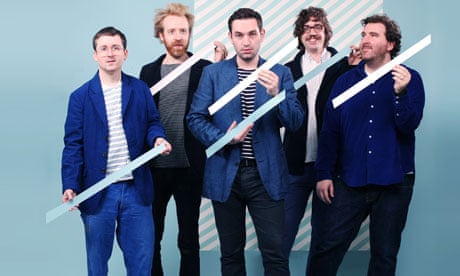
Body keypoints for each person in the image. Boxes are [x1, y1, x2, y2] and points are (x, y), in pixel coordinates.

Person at [187, 8, 304, 276]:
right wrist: (224, 138)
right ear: (231, 37)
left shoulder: (280, 73)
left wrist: (277, 94)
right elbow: (195, 118)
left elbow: (295, 122)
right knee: (230, 254)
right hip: (225, 173)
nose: (246, 41)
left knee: (275, 254)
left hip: (267, 177)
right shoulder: (213, 74)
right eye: (239, 35)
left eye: (252, 34)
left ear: (262, 35)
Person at [308, 14, 425, 276]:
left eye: (373, 35)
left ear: (391, 44)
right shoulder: (345, 82)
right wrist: (324, 174)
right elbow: (330, 131)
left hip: (395, 182)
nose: (365, 40)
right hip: (350, 180)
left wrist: (400, 93)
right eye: (363, 35)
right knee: (326, 249)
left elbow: (408, 125)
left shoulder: (410, 79)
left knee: (384, 255)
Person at [61, 26, 172, 276]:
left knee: (142, 262)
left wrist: (157, 139)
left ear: (125, 53)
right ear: (95, 55)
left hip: (136, 189)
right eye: (104, 48)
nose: (110, 53)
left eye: (115, 48)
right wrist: (70, 184)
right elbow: (73, 145)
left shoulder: (140, 89)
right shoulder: (80, 97)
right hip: (97, 190)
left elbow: (153, 122)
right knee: (97, 264)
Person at [138, 3, 227, 276]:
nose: (178, 36)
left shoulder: (204, 69)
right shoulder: (148, 72)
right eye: (172, 31)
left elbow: (216, 111)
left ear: (190, 34)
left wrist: (220, 69)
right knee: (152, 237)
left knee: (189, 239)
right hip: (155, 169)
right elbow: (142, 120)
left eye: (183, 31)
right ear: (161, 35)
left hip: (190, 167)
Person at [282, 6, 360, 258]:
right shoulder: (287, 70)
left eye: (317, 27)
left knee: (324, 238)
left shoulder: (343, 66)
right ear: (299, 34)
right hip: (294, 165)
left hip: (331, 168)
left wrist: (353, 70)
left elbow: (353, 112)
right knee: (281, 236)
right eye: (306, 28)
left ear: (326, 32)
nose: (312, 32)